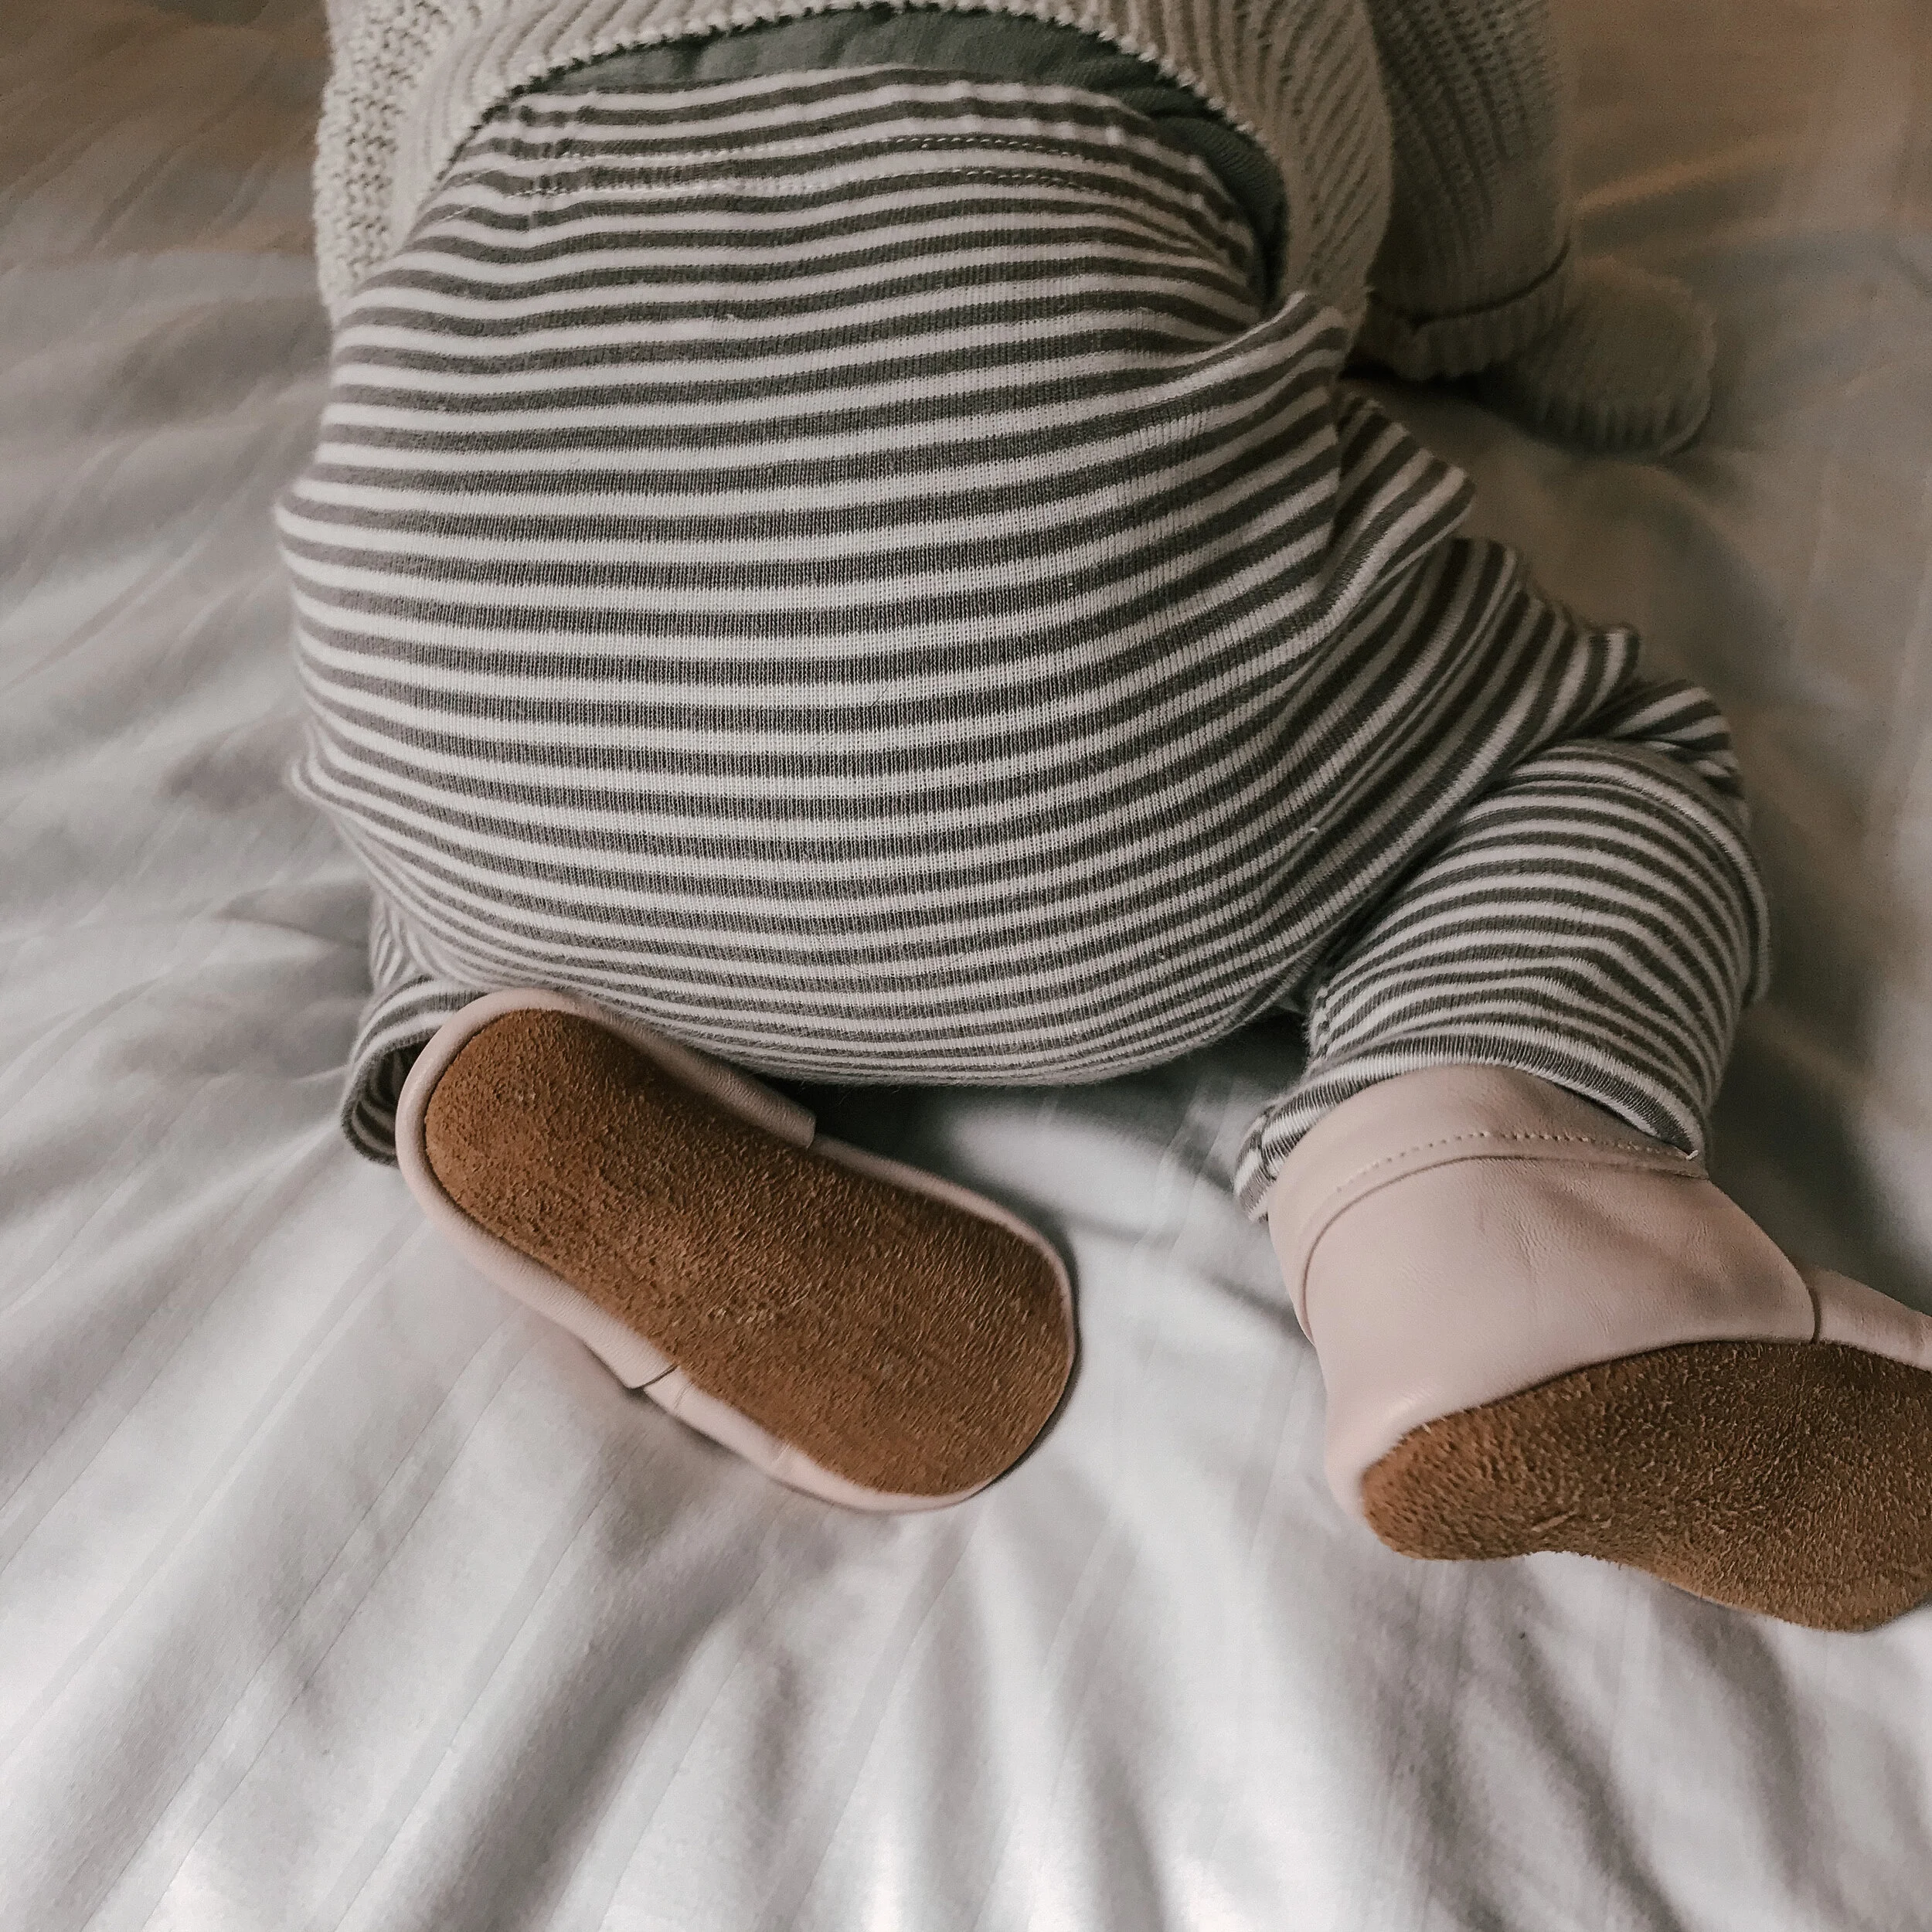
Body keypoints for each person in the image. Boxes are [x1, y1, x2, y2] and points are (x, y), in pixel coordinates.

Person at [282, 0, 1932, 1628]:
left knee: (445, 774)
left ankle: (484, 1028)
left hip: (458, 569)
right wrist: (1505, 308)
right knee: (1581, 760)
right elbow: (1457, 60)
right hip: (1067, 630)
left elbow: (377, 182)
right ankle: (1487, 1177)